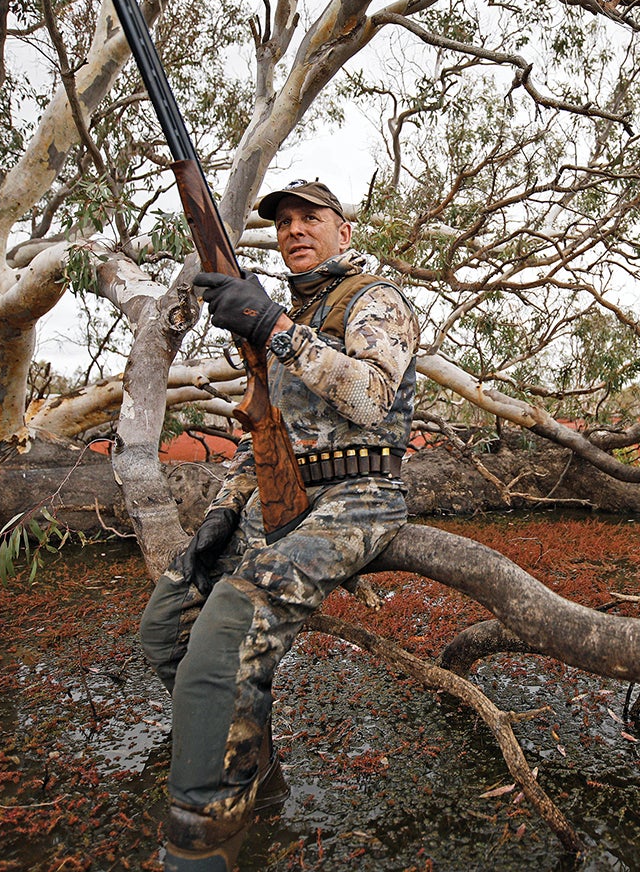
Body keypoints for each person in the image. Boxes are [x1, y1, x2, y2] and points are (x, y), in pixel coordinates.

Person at [138, 180, 419, 871]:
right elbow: (264, 432)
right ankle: (255, 772)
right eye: (283, 222)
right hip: (278, 500)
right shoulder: (285, 313)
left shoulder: (373, 300)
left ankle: (201, 846)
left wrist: (270, 327)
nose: (294, 229)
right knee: (168, 627)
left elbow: (371, 398)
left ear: (343, 231)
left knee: (231, 626)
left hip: (359, 497)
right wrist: (217, 517)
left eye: (310, 218)